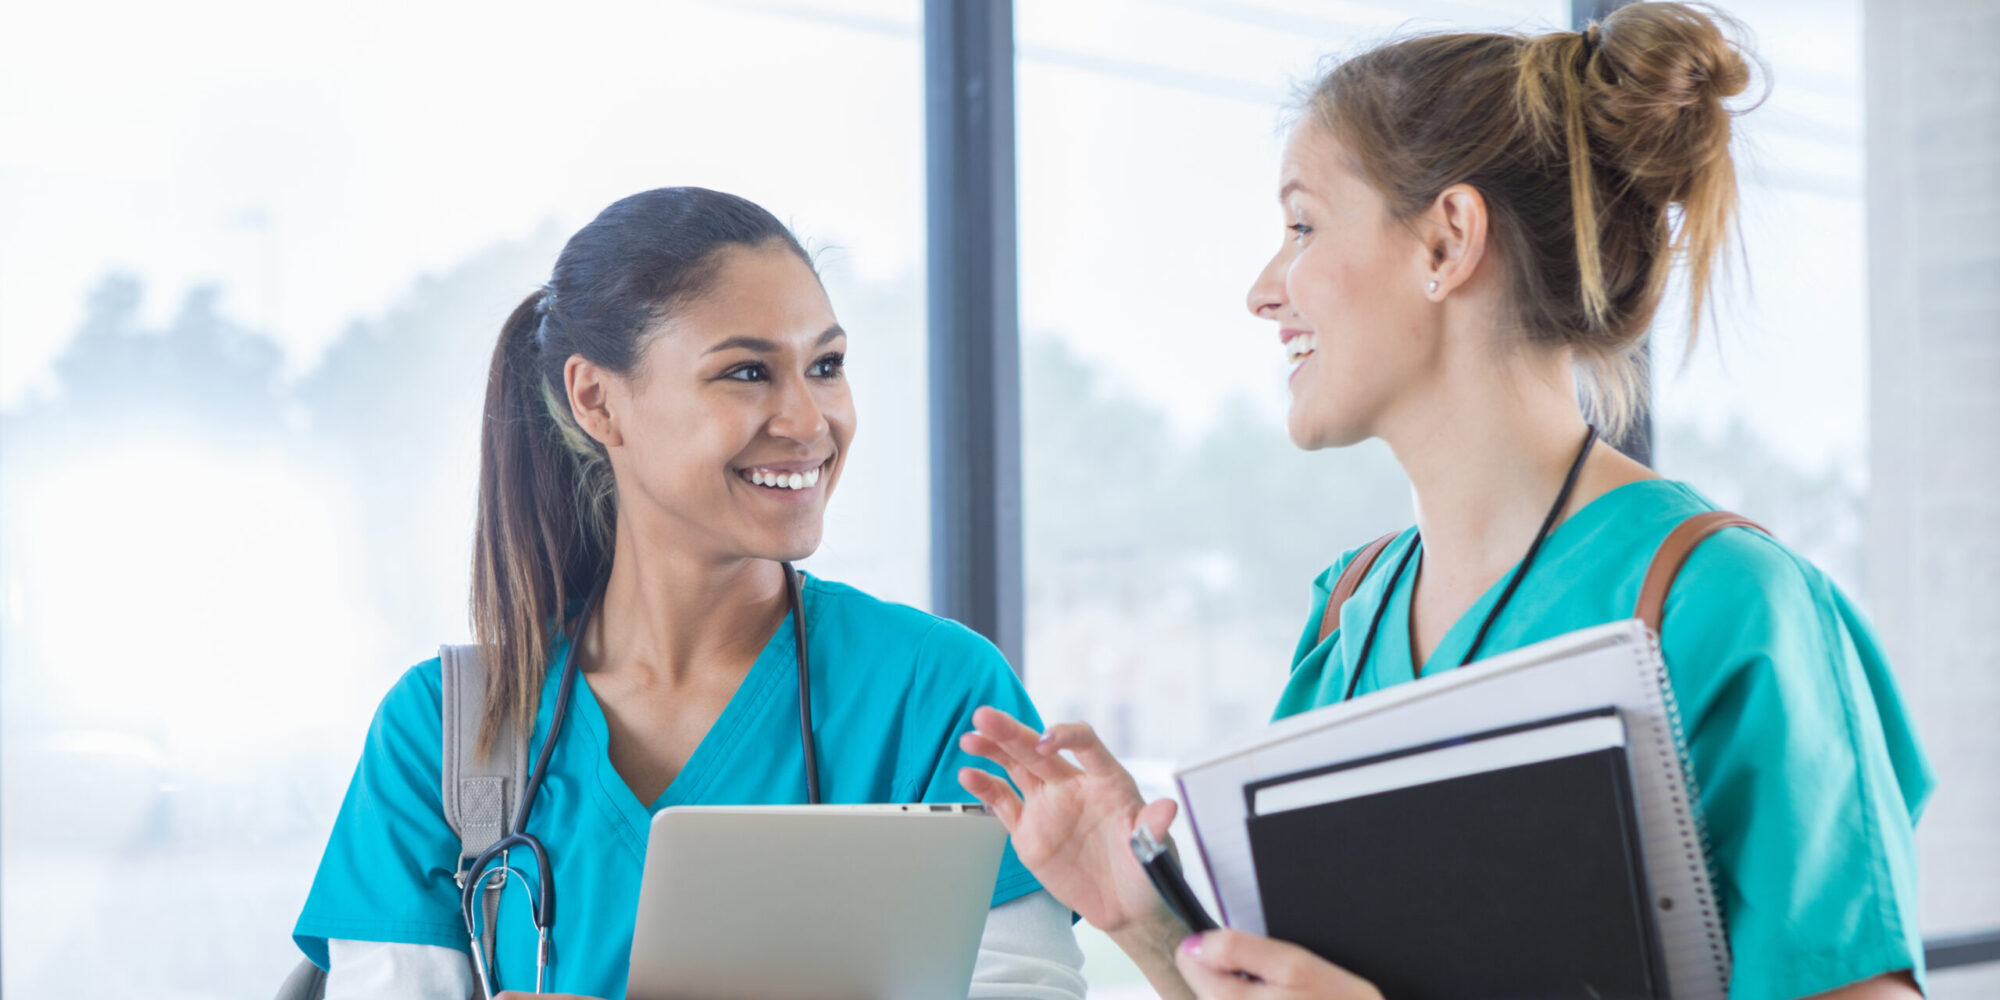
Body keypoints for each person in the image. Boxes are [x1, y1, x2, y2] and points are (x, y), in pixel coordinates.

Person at [959, 6, 1932, 1000]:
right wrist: (1145, 918)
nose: (1263, 289)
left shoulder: (1722, 606)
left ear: (1446, 241)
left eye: (1300, 225)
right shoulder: (1347, 616)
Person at [292, 187, 1085, 999]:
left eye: (827, 366)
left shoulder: (940, 695)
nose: (810, 421)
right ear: (597, 399)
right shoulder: (447, 734)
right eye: (748, 372)